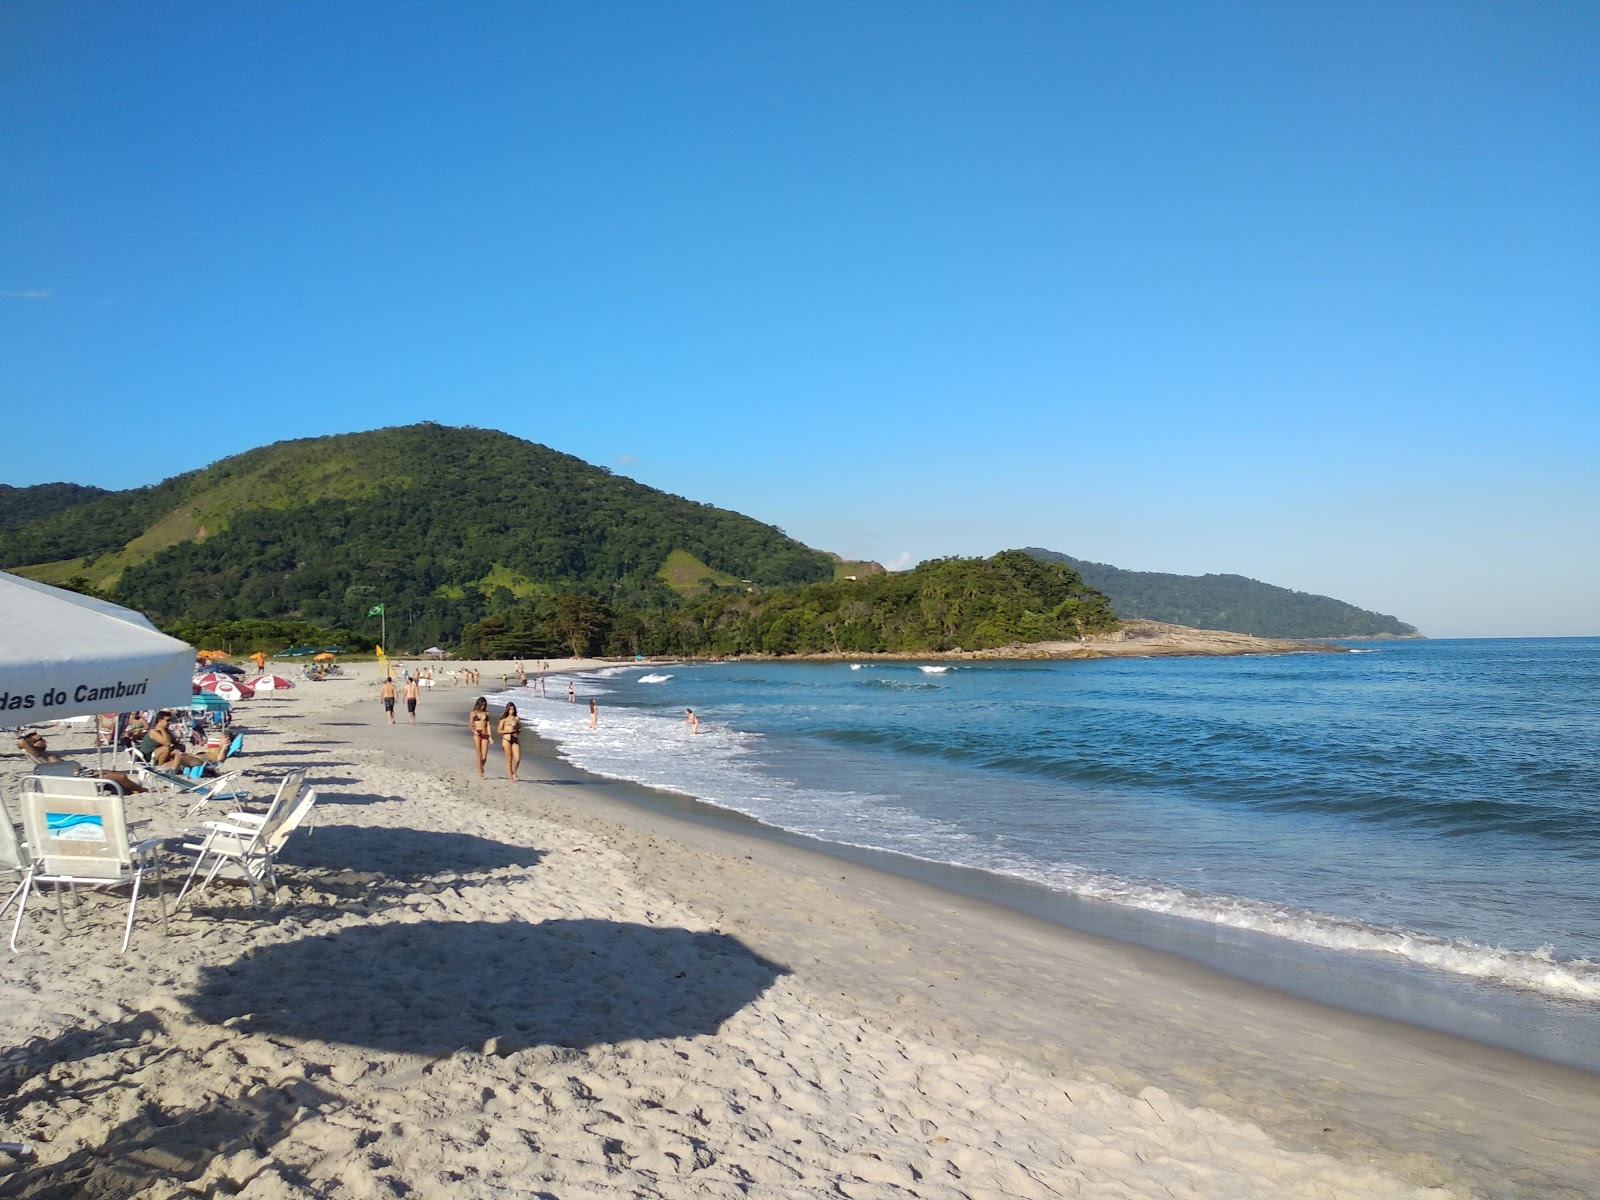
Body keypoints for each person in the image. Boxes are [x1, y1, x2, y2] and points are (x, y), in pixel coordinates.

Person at [469, 696, 493, 778]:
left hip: (485, 734)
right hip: (477, 734)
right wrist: (473, 731)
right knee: (479, 754)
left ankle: (481, 766)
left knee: (484, 756)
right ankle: (480, 772)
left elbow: (488, 725)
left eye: (484, 705)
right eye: (482, 705)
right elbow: (470, 725)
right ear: (478, 704)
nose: (483, 707)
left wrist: (490, 736)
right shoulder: (473, 713)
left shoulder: (487, 713)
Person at [498, 702, 522, 781]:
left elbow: (520, 729)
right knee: (509, 758)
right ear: (507, 710)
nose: (511, 711)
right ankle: (510, 776)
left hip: (514, 739)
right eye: (510, 709)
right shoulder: (503, 719)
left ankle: (514, 772)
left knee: (517, 758)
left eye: (513, 709)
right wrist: (508, 731)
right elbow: (499, 730)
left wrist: (517, 732)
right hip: (506, 739)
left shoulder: (517, 718)